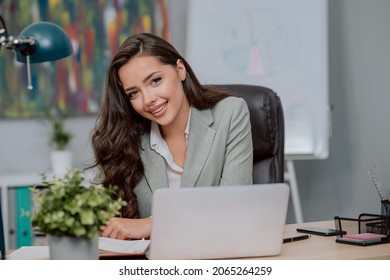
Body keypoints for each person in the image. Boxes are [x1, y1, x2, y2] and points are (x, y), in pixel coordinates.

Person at [89, 33, 253, 240]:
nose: (148, 99)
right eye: (133, 93)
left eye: (155, 81)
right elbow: (93, 209)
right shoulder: (129, 137)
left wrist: (151, 225)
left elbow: (233, 207)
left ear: (180, 70)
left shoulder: (229, 114)